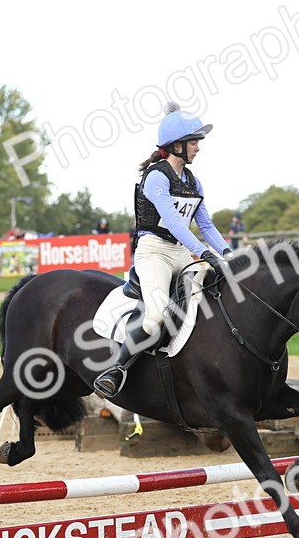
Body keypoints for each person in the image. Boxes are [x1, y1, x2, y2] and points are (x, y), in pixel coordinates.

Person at [93, 103, 231, 398]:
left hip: (181, 252)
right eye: (194, 142)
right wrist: (204, 253)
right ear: (177, 145)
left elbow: (206, 226)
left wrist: (227, 253)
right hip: (154, 252)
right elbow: (175, 223)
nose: (198, 148)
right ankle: (116, 370)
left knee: (217, 287)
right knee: (155, 316)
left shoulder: (193, 181)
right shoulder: (156, 176)